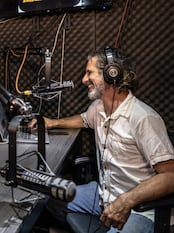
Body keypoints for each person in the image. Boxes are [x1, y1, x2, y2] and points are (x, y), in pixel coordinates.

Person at [29, 47, 174, 232]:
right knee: (46, 198)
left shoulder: (143, 118)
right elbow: (83, 119)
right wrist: (52, 123)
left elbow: (171, 176)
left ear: (111, 74)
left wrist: (126, 201)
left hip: (141, 209)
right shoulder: (98, 107)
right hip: (104, 196)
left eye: (89, 72)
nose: (83, 79)